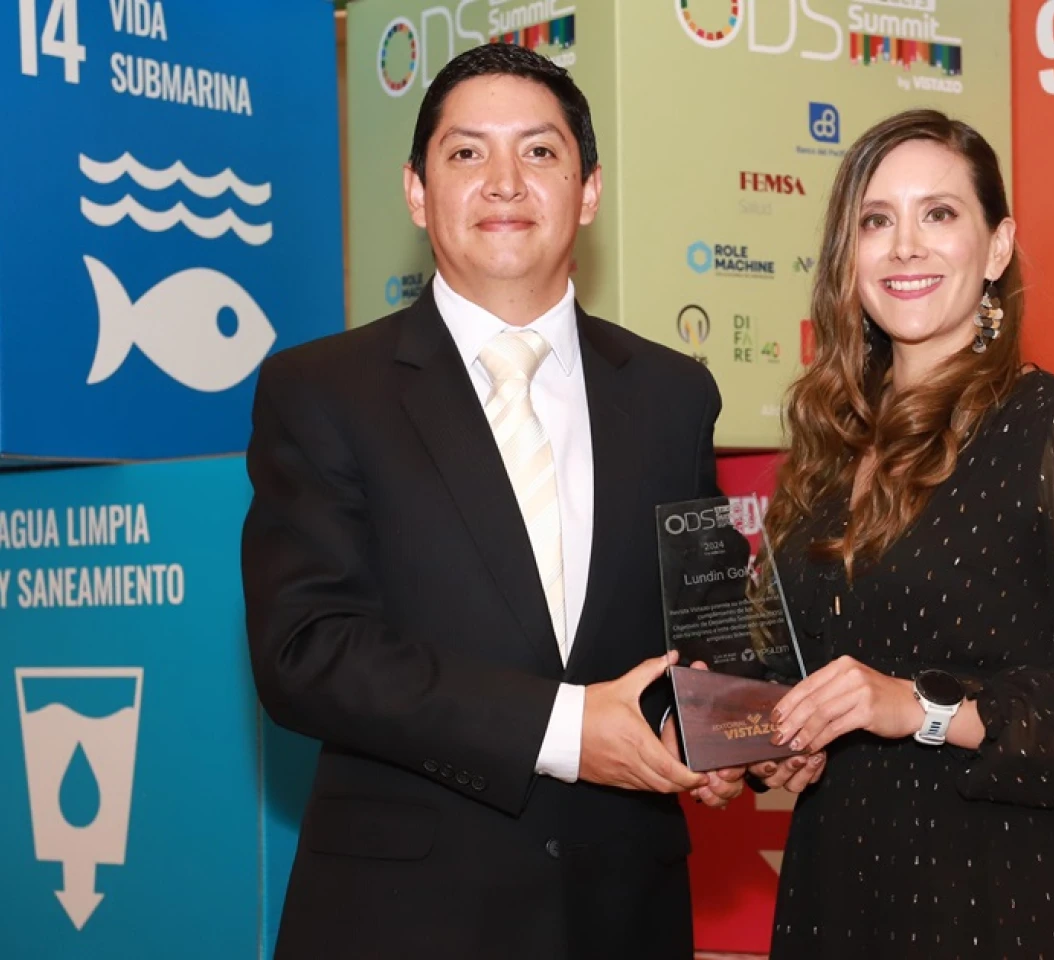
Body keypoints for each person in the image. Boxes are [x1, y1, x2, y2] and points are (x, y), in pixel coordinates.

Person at [241, 43, 741, 960]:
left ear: (589, 192)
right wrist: (563, 729)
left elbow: (705, 623)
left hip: (623, 910)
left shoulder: (674, 395)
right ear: (416, 191)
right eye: (467, 153)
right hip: (403, 921)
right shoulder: (323, 390)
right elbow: (305, 651)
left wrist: (725, 731)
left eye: (540, 152)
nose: (505, 181)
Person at [752, 109, 1054, 958]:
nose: (905, 247)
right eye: (876, 221)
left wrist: (916, 706)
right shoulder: (826, 453)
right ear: (846, 256)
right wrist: (773, 742)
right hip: (843, 885)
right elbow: (793, 669)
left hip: (1014, 891)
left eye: (939, 214)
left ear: (996, 248)